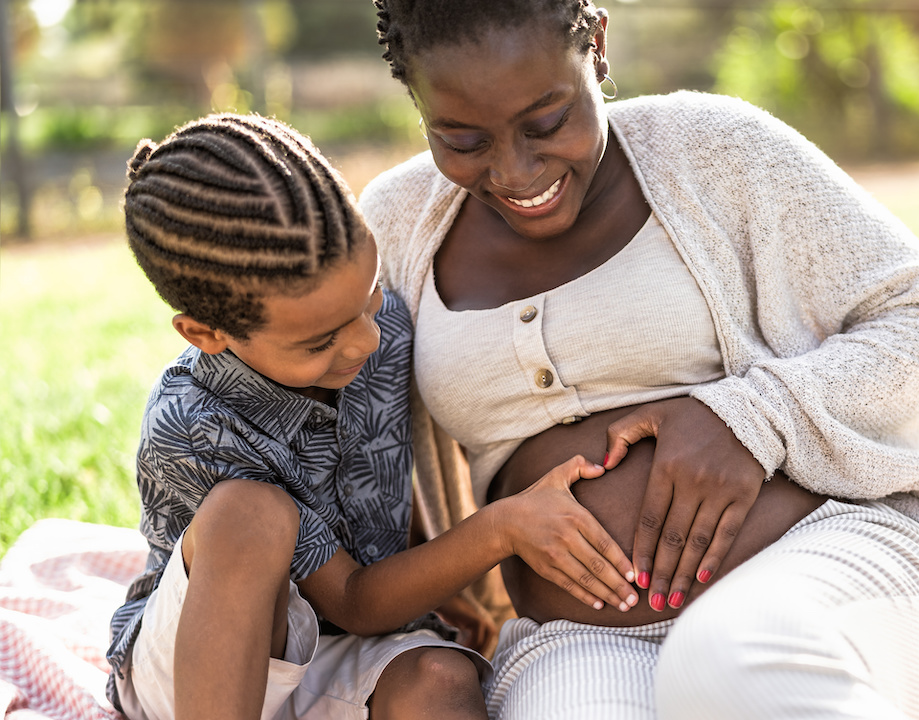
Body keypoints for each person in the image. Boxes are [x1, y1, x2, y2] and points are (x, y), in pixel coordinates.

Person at [363, 1, 919, 718]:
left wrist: (749, 418)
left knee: (726, 666)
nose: (515, 170)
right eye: (462, 139)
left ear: (597, 48)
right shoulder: (395, 225)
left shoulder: (715, 148)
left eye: (547, 122)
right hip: (577, 636)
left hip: (830, 563)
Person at [105, 113, 641, 720]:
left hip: (336, 654)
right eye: (320, 342)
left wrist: (437, 582)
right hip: (194, 679)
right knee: (249, 515)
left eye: (369, 300)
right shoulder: (190, 422)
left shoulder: (380, 333)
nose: (363, 342)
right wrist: (503, 527)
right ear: (206, 333)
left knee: (441, 676)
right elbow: (355, 600)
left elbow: (372, 477)